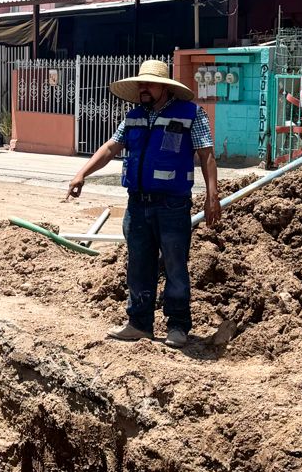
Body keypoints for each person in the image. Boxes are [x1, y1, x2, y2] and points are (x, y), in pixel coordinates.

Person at [66, 59, 221, 348]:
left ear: (164, 87)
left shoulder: (192, 114)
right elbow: (111, 147)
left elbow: (206, 155)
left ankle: (177, 326)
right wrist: (81, 173)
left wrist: (213, 196)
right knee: (138, 266)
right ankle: (139, 324)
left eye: (148, 84)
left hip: (172, 205)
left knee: (175, 266)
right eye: (141, 84)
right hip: (137, 204)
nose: (143, 89)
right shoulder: (133, 117)